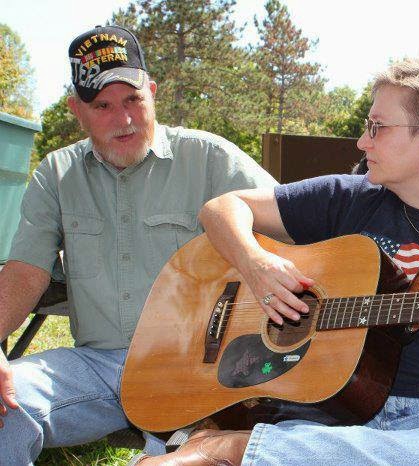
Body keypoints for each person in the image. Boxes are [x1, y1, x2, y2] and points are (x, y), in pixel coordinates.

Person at [136, 58, 419, 466]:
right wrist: (257, 265)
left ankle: (233, 449)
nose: (362, 140)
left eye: (378, 127)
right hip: (327, 416)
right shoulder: (349, 198)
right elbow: (222, 209)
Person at [0, 25, 276, 465]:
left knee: (185, 458)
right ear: (77, 110)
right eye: (102, 106)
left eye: (132, 99)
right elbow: (25, 271)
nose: (123, 118)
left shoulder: (210, 159)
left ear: (152, 92)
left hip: (197, 368)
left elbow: (298, 223)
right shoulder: (56, 173)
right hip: (98, 366)